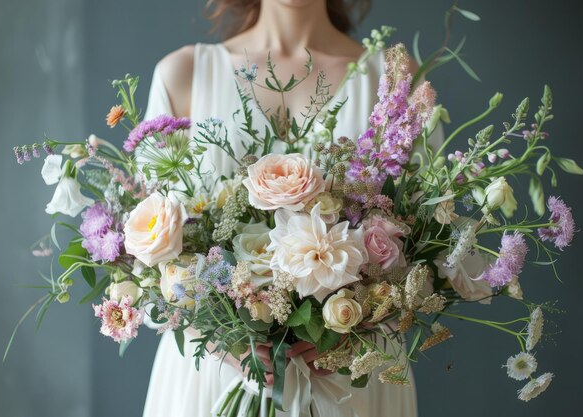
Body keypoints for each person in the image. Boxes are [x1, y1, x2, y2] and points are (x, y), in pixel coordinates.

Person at [142, 1, 420, 416]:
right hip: (213, 377)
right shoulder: (184, 74)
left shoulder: (394, 78)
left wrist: (350, 322)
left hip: (350, 382)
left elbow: (425, 248)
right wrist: (223, 334)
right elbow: (145, 253)